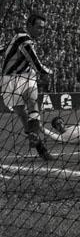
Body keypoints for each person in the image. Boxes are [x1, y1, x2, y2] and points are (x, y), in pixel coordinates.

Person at [0, 12, 52, 160]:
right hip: (13, 80)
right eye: (39, 27)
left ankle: (37, 141)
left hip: (16, 78)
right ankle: (38, 143)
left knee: (30, 104)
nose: (41, 31)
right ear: (29, 25)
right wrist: (47, 72)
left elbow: (3, 50)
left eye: (43, 28)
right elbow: (35, 62)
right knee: (25, 115)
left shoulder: (18, 37)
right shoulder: (25, 39)